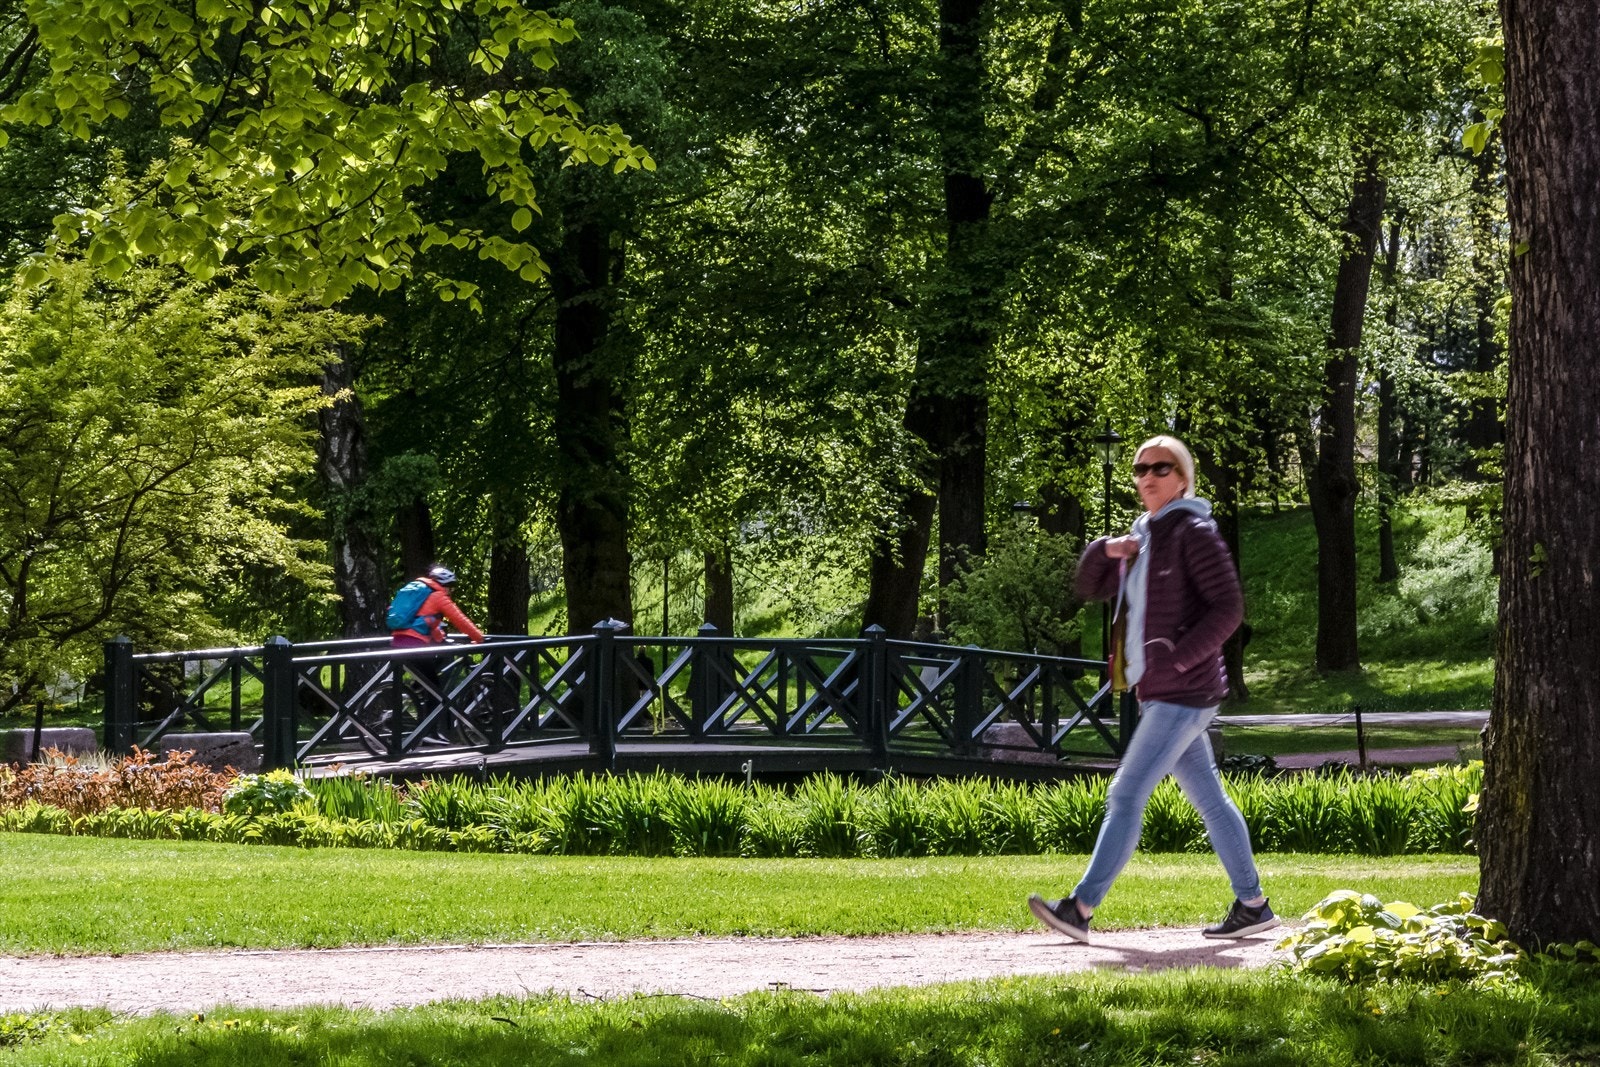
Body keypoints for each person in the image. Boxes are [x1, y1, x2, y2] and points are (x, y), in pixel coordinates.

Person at [1028, 434, 1277, 943]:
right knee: (1209, 798)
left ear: (1182, 478)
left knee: (1126, 793)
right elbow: (1090, 587)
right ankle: (1253, 904)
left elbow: (1228, 610)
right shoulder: (1145, 536)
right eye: (1141, 468)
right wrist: (1105, 549)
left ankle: (1080, 907)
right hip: (1160, 688)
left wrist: (1179, 658)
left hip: (1183, 691)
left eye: (1161, 468)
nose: (1147, 476)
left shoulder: (1194, 532)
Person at [386, 565, 485, 742]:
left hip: (398, 642)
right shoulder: (439, 596)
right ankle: (429, 733)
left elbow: (426, 622)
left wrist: (440, 638)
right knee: (435, 688)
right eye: (451, 587)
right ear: (445, 584)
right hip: (415, 646)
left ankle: (414, 693)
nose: (451, 591)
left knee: (427, 679)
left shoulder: (422, 592)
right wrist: (479, 638)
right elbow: (459, 619)